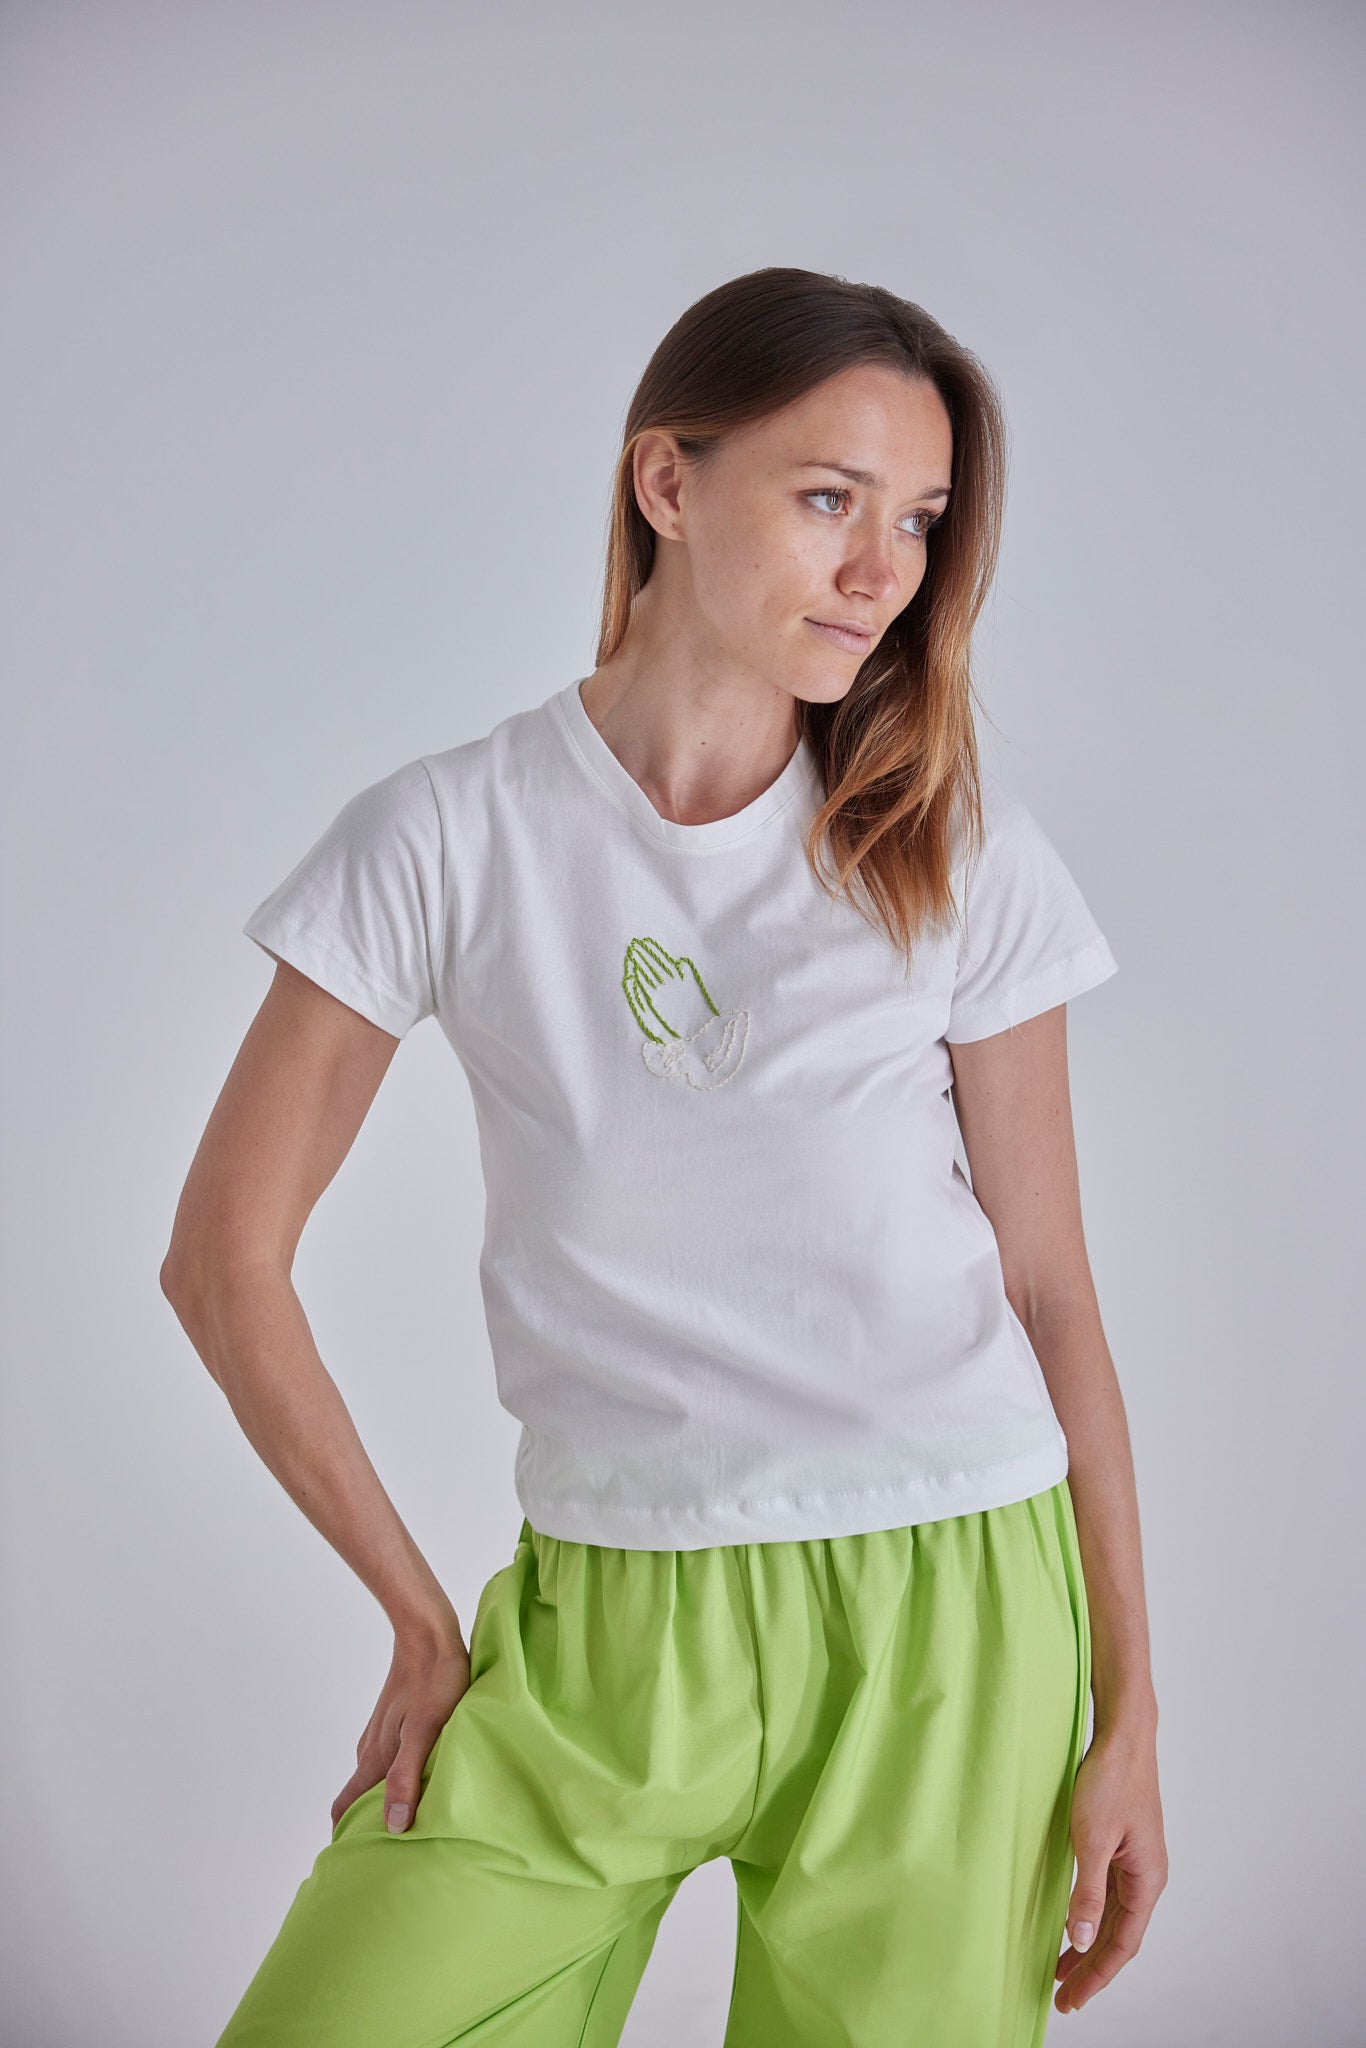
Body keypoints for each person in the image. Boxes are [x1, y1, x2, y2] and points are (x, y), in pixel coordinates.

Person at [162, 265, 1167, 2047]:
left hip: (951, 1614)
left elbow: (1048, 1291)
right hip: (608, 1620)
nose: (881, 570)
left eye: (919, 519)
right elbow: (222, 1264)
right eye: (829, 498)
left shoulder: (950, 846)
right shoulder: (449, 836)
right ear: (665, 483)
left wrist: (1129, 1716)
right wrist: (417, 1620)